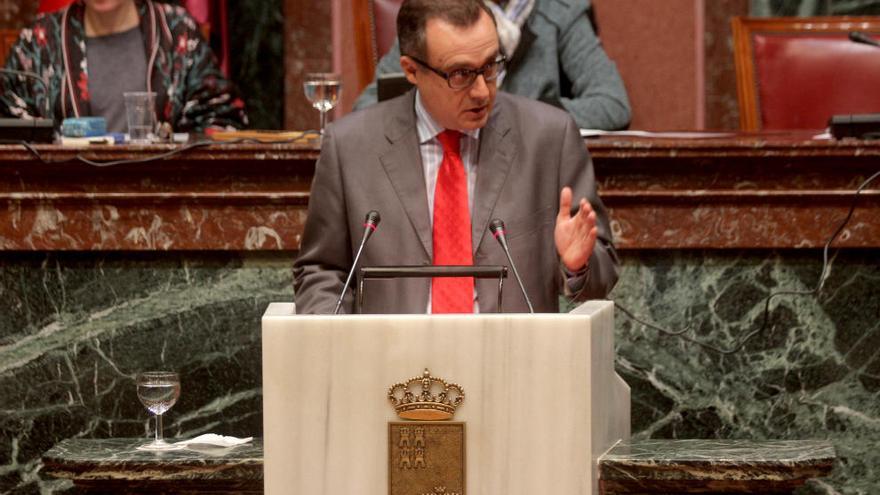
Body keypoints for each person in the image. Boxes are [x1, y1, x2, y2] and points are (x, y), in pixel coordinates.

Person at [293, 0, 618, 314]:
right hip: (393, 362)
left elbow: (602, 276)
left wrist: (578, 266)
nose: (481, 91)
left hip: (513, 361)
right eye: (460, 74)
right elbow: (322, 271)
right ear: (411, 70)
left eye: (490, 66)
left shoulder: (549, 137)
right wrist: (333, 343)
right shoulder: (351, 146)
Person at [353, 0, 631, 130]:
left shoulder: (560, 10)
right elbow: (367, 106)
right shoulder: (436, 13)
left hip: (527, 164)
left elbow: (612, 105)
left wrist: (512, 112)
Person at [0, 0, 247, 133]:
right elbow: (8, 121)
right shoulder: (41, 39)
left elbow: (222, 119)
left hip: (164, 201)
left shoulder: (176, 32)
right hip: (64, 204)